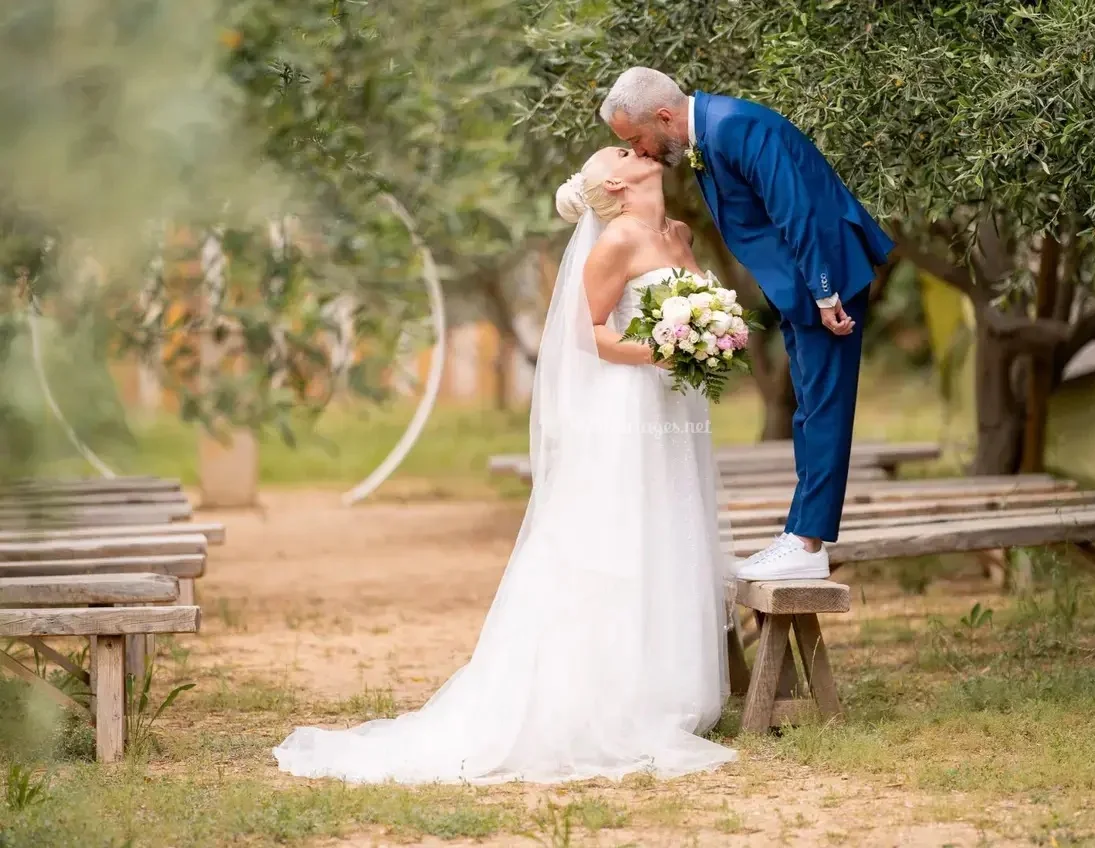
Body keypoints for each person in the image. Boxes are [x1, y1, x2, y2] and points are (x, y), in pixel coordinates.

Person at [273, 145, 737, 785]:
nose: (641, 151)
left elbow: (704, 305)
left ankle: (670, 683)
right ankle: (610, 694)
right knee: (618, 533)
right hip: (627, 406)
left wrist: (710, 335)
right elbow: (589, 333)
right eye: (623, 151)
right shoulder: (617, 243)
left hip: (674, 407)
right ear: (614, 184)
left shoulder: (678, 234)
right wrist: (659, 348)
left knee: (669, 528)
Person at [600, 67, 896, 582]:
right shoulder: (705, 133)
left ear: (665, 117)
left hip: (825, 276)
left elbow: (797, 210)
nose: (641, 152)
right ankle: (800, 536)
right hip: (799, 286)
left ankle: (807, 543)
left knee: (824, 407)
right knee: (808, 409)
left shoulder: (734, 125)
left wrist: (824, 291)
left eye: (636, 140)